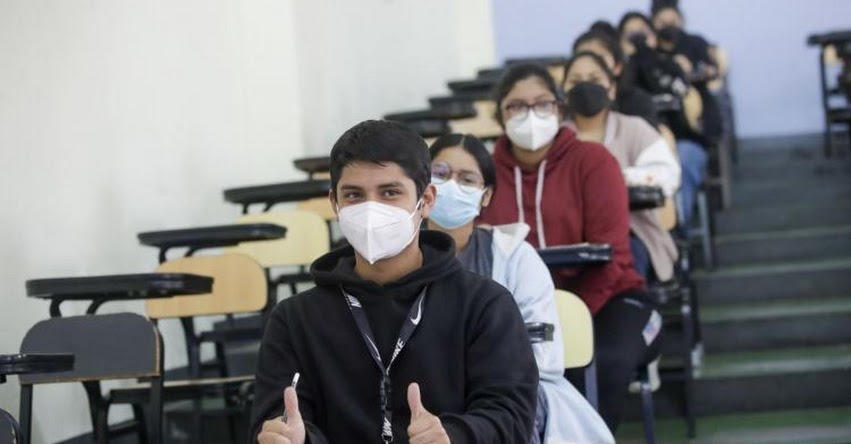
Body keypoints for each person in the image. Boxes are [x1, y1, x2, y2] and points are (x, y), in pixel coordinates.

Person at [251, 120, 538, 444]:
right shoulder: (294, 320)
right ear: (335, 204)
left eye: (390, 193)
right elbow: (275, 420)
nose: (371, 209)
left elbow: (512, 419)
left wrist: (454, 436)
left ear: (427, 199)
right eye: (354, 195)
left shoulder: (484, 305)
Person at [478, 63, 662, 432]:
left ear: (560, 109)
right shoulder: (484, 176)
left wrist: (567, 323)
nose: (530, 114)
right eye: (516, 106)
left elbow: (612, 257)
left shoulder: (594, 162)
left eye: (542, 103)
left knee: (599, 362)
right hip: (517, 312)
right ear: (500, 115)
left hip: (610, 299)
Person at [426, 133, 614, 444]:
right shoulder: (401, 258)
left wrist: (467, 379)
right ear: (423, 185)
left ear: (486, 196)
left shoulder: (514, 256)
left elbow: (542, 356)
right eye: (441, 174)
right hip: (423, 394)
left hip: (505, 393)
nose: (452, 185)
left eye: (467, 179)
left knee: (508, 406)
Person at [561, 51, 681, 282]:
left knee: (619, 271)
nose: (585, 87)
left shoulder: (634, 128)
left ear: (612, 88)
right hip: (566, 240)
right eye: (575, 81)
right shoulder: (556, 136)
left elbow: (666, 174)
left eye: (595, 80)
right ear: (564, 92)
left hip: (632, 234)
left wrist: (610, 180)